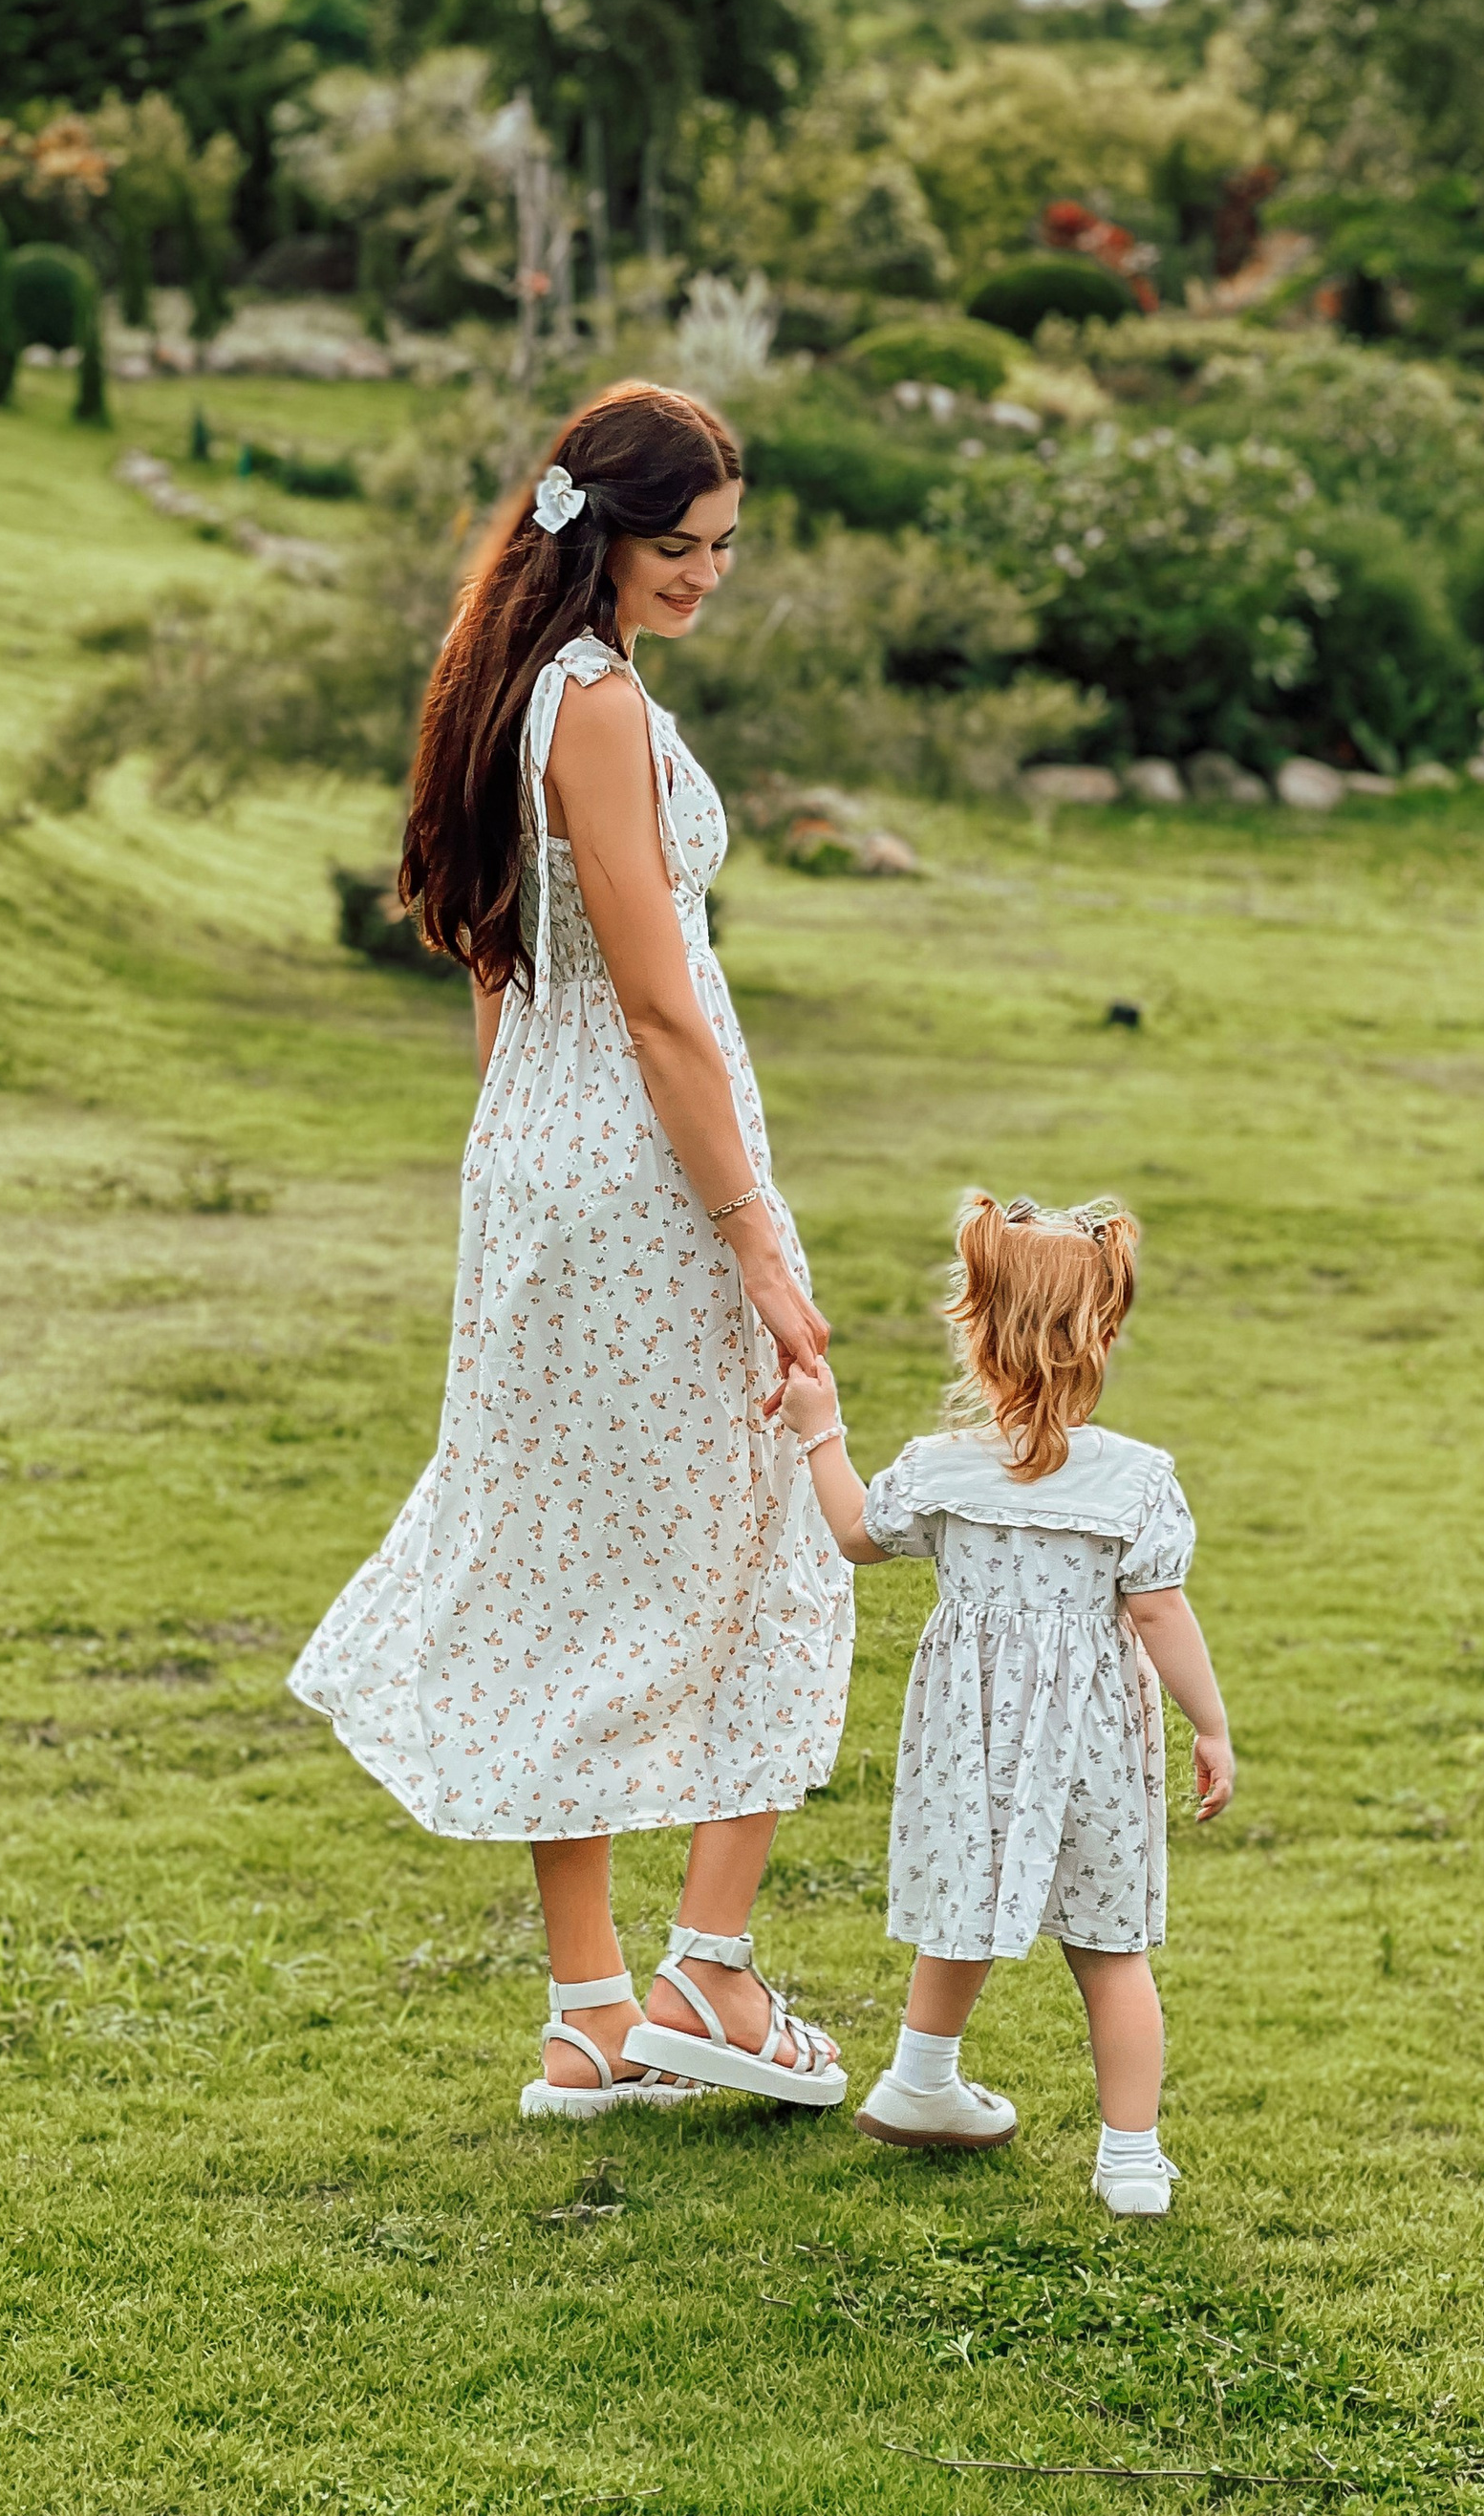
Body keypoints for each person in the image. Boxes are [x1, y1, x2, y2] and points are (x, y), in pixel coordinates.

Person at [289, 381, 854, 2121]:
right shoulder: (594, 705)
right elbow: (663, 1011)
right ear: (597, 529)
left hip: (539, 1170)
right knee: (776, 1532)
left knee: (568, 1565)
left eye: (725, 548)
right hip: (644, 1175)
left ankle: (590, 2010)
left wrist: (514, 1173)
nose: (706, 575)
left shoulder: (501, 691)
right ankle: (713, 1972)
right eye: (681, 546)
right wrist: (755, 1236)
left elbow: (497, 971)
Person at [787, 1191, 1235, 2216]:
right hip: (1094, 1746)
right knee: (1110, 1945)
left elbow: (855, 1534)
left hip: (967, 1736)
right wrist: (1209, 1724)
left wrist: (823, 1426)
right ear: (1104, 1331)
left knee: (960, 1904)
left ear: (977, 1325)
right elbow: (1159, 1614)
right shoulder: (1133, 1481)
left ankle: (921, 2072)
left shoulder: (942, 1471)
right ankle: (1128, 2157)